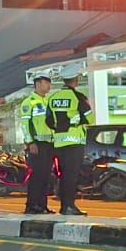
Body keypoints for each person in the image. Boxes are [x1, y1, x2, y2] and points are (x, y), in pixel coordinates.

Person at [47, 68, 90, 215]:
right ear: (75, 80)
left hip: (58, 143)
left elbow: (49, 121)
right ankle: (69, 206)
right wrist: (74, 122)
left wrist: (61, 126)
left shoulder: (53, 97)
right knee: (72, 176)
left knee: (63, 175)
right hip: (74, 142)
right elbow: (89, 117)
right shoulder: (78, 97)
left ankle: (64, 206)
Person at [19, 73, 55, 214]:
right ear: (38, 83)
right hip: (37, 145)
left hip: (49, 144)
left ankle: (42, 205)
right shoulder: (29, 102)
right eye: (46, 83)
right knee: (37, 176)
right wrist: (31, 142)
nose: (49, 86)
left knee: (46, 176)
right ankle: (32, 205)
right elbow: (25, 125)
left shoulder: (47, 102)